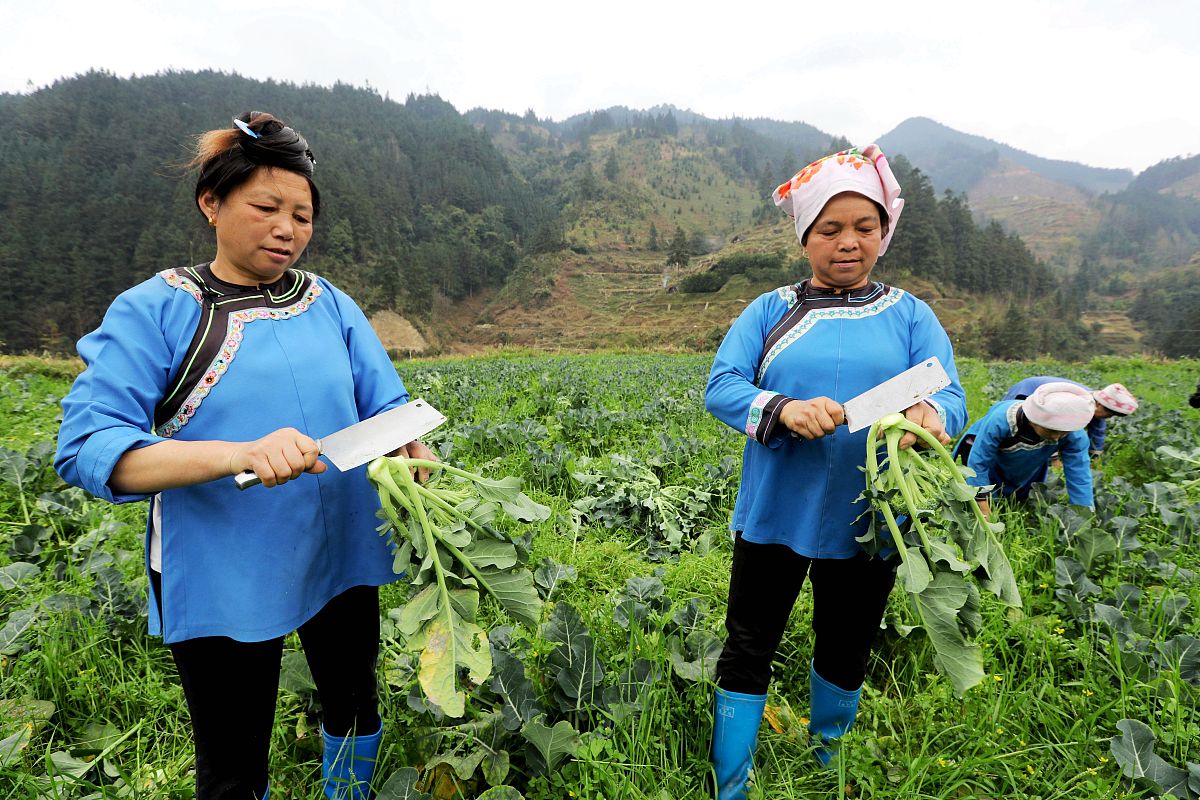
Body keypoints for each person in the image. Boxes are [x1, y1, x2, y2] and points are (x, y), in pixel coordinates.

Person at [55, 112, 432, 800]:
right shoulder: (159, 310)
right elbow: (90, 446)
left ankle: (348, 792)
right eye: (266, 208)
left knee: (353, 702)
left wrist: (411, 436)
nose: (287, 228)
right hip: (226, 562)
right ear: (212, 204)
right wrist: (240, 455)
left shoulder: (329, 303)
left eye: (302, 215)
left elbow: (389, 402)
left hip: (342, 550)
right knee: (232, 758)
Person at [704, 144, 966, 798]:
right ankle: (730, 781)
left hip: (870, 518)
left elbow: (950, 395)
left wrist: (930, 415)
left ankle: (828, 763)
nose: (848, 242)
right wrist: (784, 409)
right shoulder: (770, 311)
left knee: (846, 645)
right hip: (775, 513)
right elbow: (722, 387)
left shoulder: (911, 315)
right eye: (830, 229)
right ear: (805, 238)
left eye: (864, 228)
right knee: (749, 643)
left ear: (883, 233)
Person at [954, 382, 1095, 516]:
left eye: (1063, 432)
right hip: (985, 455)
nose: (1057, 437)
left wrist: (1083, 516)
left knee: (1019, 494)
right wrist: (984, 508)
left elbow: (1079, 475)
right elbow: (979, 463)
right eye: (1051, 430)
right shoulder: (1002, 421)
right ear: (1033, 419)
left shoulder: (1074, 434)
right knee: (990, 496)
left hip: (1028, 461)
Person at [1002, 376, 1138, 455]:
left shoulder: (1095, 407)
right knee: (1013, 422)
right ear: (1099, 405)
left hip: (1047, 393)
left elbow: (1098, 432)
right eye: (1108, 414)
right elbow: (1051, 425)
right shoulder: (1077, 404)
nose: (1107, 418)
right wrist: (1054, 459)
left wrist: (1095, 457)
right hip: (1028, 390)